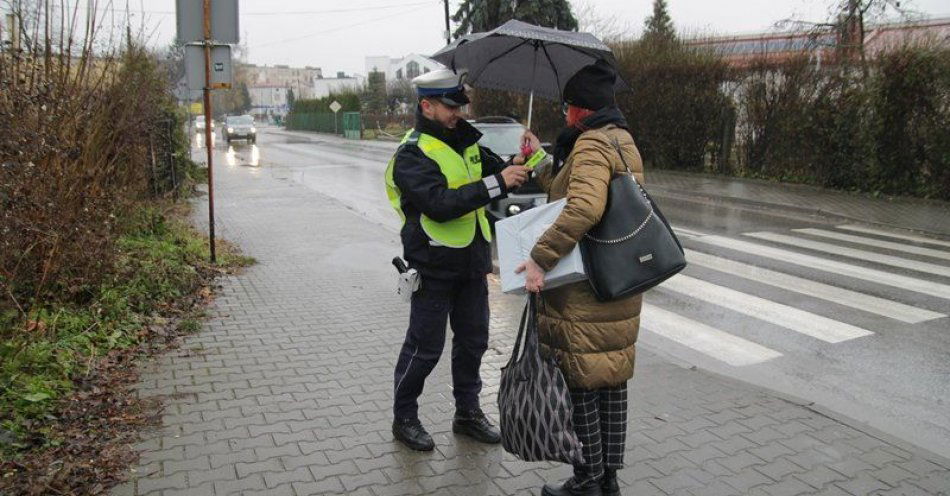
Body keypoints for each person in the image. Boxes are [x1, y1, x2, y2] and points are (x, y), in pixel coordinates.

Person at [384, 68, 535, 451]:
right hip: (433, 267)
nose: (458, 113)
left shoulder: (465, 143)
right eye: (451, 107)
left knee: (473, 343)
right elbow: (439, 205)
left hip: (471, 265)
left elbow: (502, 172)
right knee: (424, 348)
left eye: (460, 105)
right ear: (426, 106)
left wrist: (526, 157)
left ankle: (467, 413)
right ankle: (404, 417)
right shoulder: (412, 154)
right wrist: (497, 183)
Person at [515, 59, 644, 496]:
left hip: (586, 288)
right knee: (610, 382)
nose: (564, 113)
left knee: (583, 385)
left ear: (581, 109)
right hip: (617, 281)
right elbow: (571, 186)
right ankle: (607, 481)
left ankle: (587, 480)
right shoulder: (621, 140)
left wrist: (540, 259)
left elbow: (583, 208)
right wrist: (538, 155)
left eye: (568, 106)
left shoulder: (590, 144)